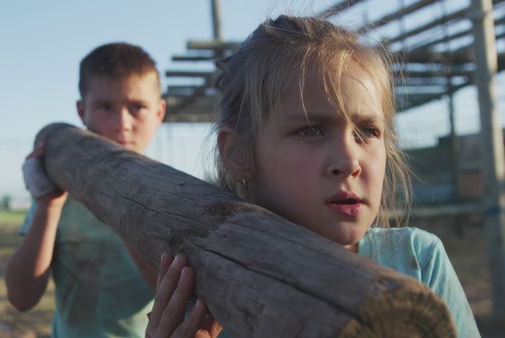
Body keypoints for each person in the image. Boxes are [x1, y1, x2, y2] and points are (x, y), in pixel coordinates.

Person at [145, 15, 481, 338]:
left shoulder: (416, 262)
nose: (349, 161)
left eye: (367, 131)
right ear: (237, 154)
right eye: (310, 129)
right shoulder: (207, 295)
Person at [5, 42, 166, 337]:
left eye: (138, 107)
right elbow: (21, 297)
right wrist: (47, 205)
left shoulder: (171, 196)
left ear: (159, 112)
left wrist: (122, 207)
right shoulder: (60, 195)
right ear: (82, 111)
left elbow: (173, 295)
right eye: (105, 107)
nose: (122, 124)